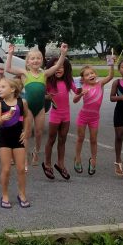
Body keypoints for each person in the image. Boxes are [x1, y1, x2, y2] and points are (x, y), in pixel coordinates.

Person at [5, 44, 66, 168]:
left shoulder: (44, 73)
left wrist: (63, 53)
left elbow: (57, 66)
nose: (35, 60)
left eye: (38, 58)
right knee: (26, 133)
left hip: (40, 108)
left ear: (42, 60)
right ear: (27, 62)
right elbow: (8, 68)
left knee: (38, 132)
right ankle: (24, 158)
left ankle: (36, 152)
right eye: (32, 58)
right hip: (28, 108)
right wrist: (10, 54)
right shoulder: (24, 73)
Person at [73, 55, 115, 176]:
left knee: (93, 140)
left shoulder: (100, 84)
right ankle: (77, 158)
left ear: (95, 74)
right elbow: (75, 100)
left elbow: (110, 76)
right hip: (83, 116)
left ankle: (93, 160)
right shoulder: (82, 87)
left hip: (94, 118)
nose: (91, 75)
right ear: (83, 79)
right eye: (87, 75)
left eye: (92, 73)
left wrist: (111, 64)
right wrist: (81, 94)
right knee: (80, 138)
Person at [0, 77, 31, 208]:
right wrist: (3, 118)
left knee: (21, 169)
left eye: (3, 87)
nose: (0, 89)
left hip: (18, 139)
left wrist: (25, 131)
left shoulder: (22, 102)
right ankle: (5, 195)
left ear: (13, 89)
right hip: (4, 139)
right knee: (6, 169)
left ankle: (22, 194)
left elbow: (26, 117)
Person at [43, 50, 76, 180]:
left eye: (61, 66)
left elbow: (76, 90)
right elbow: (42, 95)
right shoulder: (48, 82)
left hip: (66, 115)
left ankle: (60, 164)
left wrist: (83, 90)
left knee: (63, 140)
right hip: (55, 115)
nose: (58, 69)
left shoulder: (68, 81)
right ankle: (47, 164)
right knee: (51, 139)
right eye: (55, 66)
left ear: (65, 68)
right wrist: (47, 97)